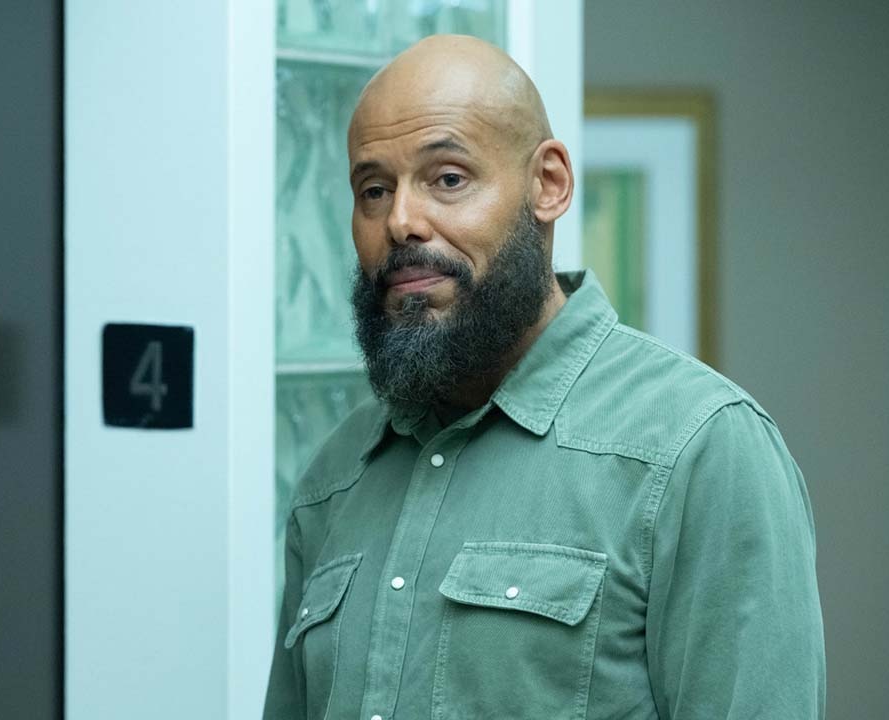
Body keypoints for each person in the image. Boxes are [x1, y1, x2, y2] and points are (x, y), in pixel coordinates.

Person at [264, 35, 825, 720]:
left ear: (549, 185)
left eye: (448, 178)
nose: (402, 221)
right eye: (374, 189)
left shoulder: (698, 451)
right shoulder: (336, 478)